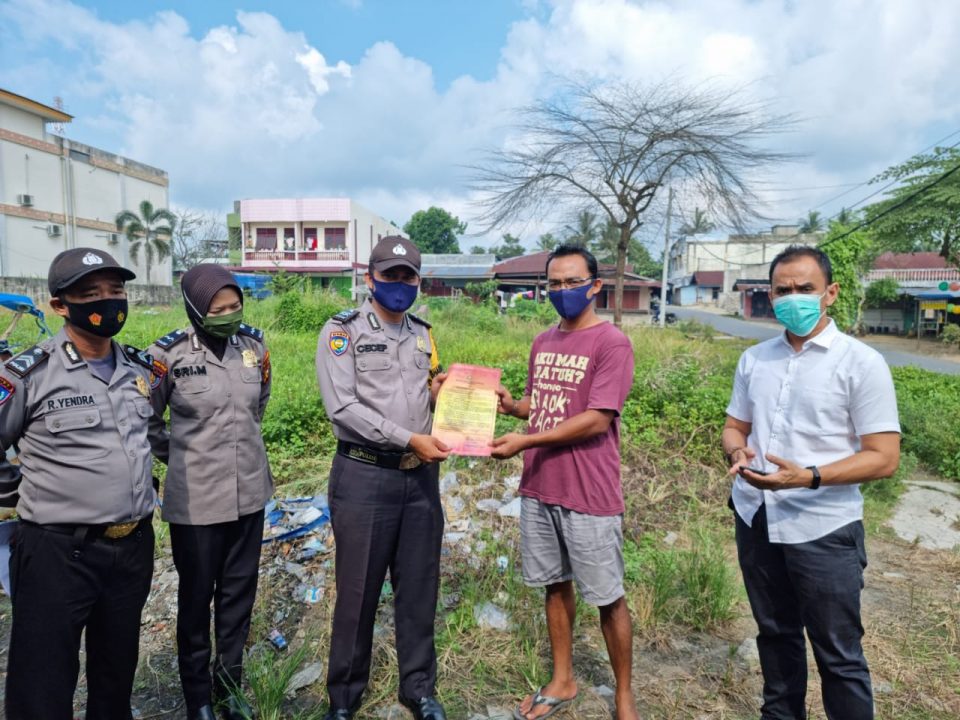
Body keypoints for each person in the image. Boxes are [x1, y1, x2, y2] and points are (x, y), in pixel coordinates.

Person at [721, 244, 901, 720]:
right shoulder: (755, 359)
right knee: (776, 636)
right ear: (769, 295)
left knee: (838, 654)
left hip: (823, 528)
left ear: (830, 293)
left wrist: (809, 477)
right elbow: (735, 426)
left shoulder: (860, 363)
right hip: (756, 517)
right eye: (782, 290)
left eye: (805, 289)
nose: (792, 298)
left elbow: (884, 458)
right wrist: (738, 451)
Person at [0, 248, 159, 720]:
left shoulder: (139, 369)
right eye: (91, 294)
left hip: (131, 548)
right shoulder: (28, 373)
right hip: (57, 552)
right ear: (59, 306)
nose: (109, 302)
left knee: (116, 675)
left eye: (116, 291)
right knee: (43, 683)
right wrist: (17, 489)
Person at [491, 245, 639, 720]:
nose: (562, 291)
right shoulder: (543, 341)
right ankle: (563, 678)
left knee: (607, 596)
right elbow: (544, 401)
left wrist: (526, 440)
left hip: (589, 491)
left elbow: (596, 419)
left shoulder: (611, 343)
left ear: (595, 286)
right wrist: (515, 408)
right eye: (553, 284)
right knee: (555, 586)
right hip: (541, 485)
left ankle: (623, 695)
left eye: (572, 282)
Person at [316, 236, 450, 720]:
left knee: (419, 588)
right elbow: (343, 408)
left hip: (420, 480)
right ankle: (344, 699)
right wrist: (409, 438)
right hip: (365, 476)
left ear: (418, 281)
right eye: (389, 275)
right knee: (358, 593)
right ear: (370, 277)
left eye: (407, 276)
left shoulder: (423, 334)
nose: (398, 284)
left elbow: (429, 400)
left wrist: (447, 400)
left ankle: (418, 689)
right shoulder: (342, 331)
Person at [147, 264, 273, 720]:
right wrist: (180, 456)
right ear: (195, 309)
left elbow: (258, 404)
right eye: (217, 310)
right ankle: (198, 698)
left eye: (235, 306)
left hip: (250, 494)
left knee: (239, 599)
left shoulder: (254, 347)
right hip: (196, 502)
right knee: (197, 601)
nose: (228, 315)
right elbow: (146, 419)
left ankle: (228, 691)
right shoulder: (167, 355)